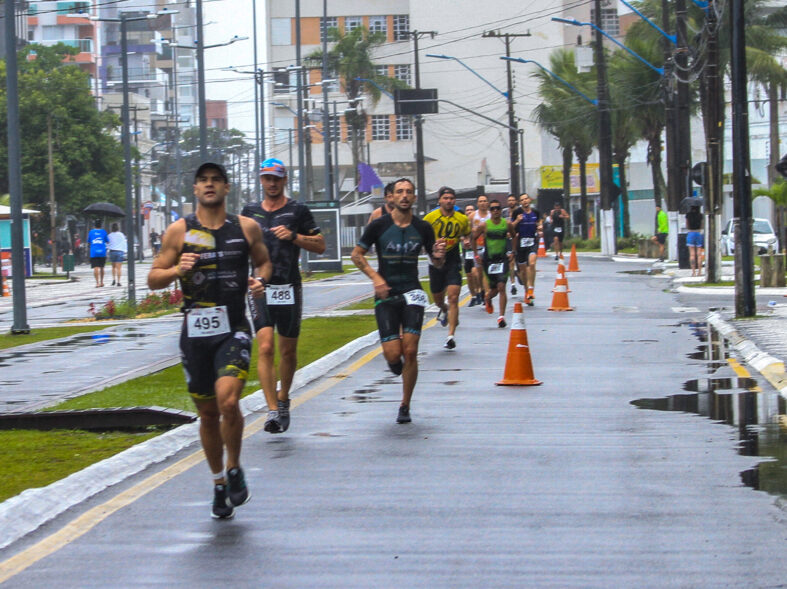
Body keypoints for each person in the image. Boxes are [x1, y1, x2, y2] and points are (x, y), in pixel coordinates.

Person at [148, 162, 271, 520]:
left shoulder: (245, 228)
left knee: (229, 402)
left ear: (227, 188)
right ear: (195, 189)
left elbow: (264, 263)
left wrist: (260, 280)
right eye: (203, 180)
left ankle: (234, 467)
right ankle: (218, 483)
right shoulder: (180, 231)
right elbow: (154, 278)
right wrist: (176, 270)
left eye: (216, 179)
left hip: (232, 327)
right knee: (207, 413)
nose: (209, 185)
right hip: (195, 333)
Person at [241, 158, 326, 435]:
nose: (272, 183)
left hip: (288, 287)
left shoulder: (297, 210)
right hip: (260, 288)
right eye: (267, 178)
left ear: (285, 180)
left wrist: (293, 236)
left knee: (287, 350)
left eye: (277, 178)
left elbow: (321, 245)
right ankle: (272, 410)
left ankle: (284, 397)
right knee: (265, 347)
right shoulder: (249, 212)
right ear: (261, 180)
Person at [352, 178, 446, 424]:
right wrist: (375, 278)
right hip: (386, 293)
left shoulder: (424, 227)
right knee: (393, 355)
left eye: (409, 192)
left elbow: (436, 262)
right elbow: (356, 254)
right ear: (391, 197)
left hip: (413, 291)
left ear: (415, 198)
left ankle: (405, 404)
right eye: (400, 192)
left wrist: (438, 257)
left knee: (411, 350)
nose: (405, 196)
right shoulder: (379, 225)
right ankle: (396, 364)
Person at [423, 186, 470, 350]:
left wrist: (465, 240)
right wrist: (433, 246)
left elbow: (466, 233)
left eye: (451, 198)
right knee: (438, 299)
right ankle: (444, 310)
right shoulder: (430, 218)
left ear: (454, 200)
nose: (449, 201)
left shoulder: (461, 218)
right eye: (445, 198)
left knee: (454, 297)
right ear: (439, 200)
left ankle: (450, 336)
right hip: (435, 261)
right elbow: (423, 238)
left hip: (452, 259)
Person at [473, 199, 515, 327]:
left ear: (501, 210)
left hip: (502, 259)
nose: (495, 210)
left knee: (501, 286)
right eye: (493, 209)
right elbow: (473, 237)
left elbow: (514, 236)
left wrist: (513, 251)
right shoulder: (485, 225)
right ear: (490, 211)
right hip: (489, 260)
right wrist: (476, 255)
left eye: (498, 208)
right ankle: (487, 298)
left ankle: (501, 317)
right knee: (494, 289)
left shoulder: (507, 224)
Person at [512, 193, 541, 306]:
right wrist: (517, 221)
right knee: (523, 272)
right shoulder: (517, 213)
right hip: (521, 244)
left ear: (529, 200)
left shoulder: (536, 212)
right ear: (520, 202)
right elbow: (511, 226)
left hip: (532, 242)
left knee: (532, 264)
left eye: (526, 199)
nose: (525, 201)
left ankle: (531, 289)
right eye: (522, 200)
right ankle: (526, 292)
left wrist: (539, 227)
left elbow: (539, 223)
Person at [469, 195, 491, 306]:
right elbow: (468, 231)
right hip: (477, 247)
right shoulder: (473, 216)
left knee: (486, 272)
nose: (483, 203)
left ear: (488, 203)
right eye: (480, 201)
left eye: (485, 201)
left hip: (489, 247)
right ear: (477, 204)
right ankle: (482, 290)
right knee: (479, 273)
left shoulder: (492, 215)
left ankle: (487, 293)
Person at [461, 204, 482, 306]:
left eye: (471, 210)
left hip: (476, 250)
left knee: (475, 272)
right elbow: (458, 235)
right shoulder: (463, 223)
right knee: (469, 275)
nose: (469, 211)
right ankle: (473, 296)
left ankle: (479, 291)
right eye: (467, 210)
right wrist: (463, 240)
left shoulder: (477, 223)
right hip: (466, 252)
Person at [87, 219, 108, 287]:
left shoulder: (91, 232)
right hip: (102, 252)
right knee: (102, 267)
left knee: (96, 267)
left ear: (94, 225)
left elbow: (89, 241)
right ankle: (102, 282)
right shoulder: (103, 232)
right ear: (100, 225)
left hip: (94, 252)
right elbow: (107, 241)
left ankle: (97, 283)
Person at [686, 205, 704, 277]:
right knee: (699, 254)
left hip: (691, 233)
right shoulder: (700, 215)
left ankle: (693, 272)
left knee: (692, 254)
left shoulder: (688, 215)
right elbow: (702, 225)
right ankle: (699, 272)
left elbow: (687, 225)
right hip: (698, 233)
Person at [107, 223, 127, 287]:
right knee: (119, 268)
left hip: (112, 251)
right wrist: (125, 250)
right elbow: (124, 242)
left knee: (113, 267)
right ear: (118, 228)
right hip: (120, 252)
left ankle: (113, 279)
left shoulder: (109, 235)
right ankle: (118, 281)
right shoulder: (121, 235)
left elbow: (108, 244)